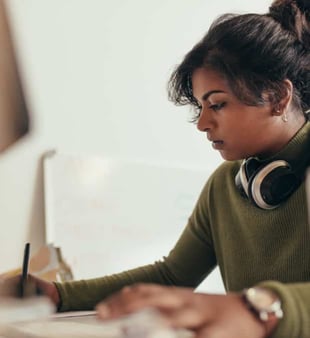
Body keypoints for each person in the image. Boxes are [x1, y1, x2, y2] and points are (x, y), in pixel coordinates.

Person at [26, 0, 310, 337]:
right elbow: (173, 276)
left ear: (278, 96)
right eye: (201, 107)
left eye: (217, 104)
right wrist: (57, 295)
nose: (203, 123)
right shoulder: (225, 185)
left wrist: (257, 309)